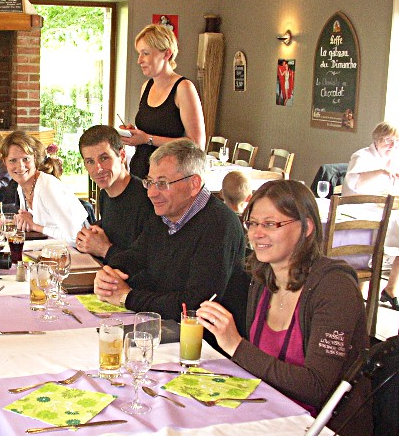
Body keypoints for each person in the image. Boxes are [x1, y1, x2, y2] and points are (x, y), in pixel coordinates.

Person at [196, 180, 372, 436]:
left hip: (320, 426)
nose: (256, 234)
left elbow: (317, 387)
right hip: (267, 412)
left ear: (307, 227)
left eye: (270, 224)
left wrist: (235, 345)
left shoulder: (334, 288)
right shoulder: (263, 280)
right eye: (253, 223)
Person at [93, 140, 249, 336]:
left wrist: (128, 297)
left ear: (194, 184)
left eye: (162, 184)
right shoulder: (166, 213)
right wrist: (110, 274)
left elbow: (194, 305)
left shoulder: (219, 225)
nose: (151, 193)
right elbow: (137, 254)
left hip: (204, 344)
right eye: (149, 182)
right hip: (164, 327)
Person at [344, 121, 399, 310]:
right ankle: (361, 291)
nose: (392, 146)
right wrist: (380, 171)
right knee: (371, 245)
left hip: (392, 211)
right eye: (389, 141)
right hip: (362, 211)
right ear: (377, 139)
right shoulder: (361, 156)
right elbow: (353, 184)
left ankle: (391, 289)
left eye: (397, 143)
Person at [121, 24, 205, 179]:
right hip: (140, 172)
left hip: (167, 179)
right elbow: (149, 131)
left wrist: (147, 139)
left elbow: (196, 144)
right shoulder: (146, 87)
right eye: (139, 53)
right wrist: (135, 134)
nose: (139, 60)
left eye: (145, 53)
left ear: (167, 54)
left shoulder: (183, 88)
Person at [75, 125, 154, 260]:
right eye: (90, 161)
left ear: (122, 155)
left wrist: (103, 249)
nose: (98, 169)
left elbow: (146, 264)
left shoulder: (148, 198)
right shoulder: (104, 195)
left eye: (104, 158)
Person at [2, 131, 87, 243]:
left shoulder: (47, 188)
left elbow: (75, 236)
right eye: (13, 160)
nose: (20, 166)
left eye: (25, 159)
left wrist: (35, 226)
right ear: (5, 162)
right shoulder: (21, 187)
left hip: (77, 254)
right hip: (49, 250)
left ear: (35, 159)